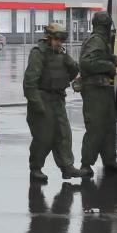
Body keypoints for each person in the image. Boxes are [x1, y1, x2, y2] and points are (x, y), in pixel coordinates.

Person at [24, 23, 83, 183]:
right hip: (43, 99)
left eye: (62, 40)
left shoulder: (61, 53)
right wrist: (37, 104)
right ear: (49, 38)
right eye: (57, 40)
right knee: (44, 137)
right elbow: (30, 82)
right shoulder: (38, 53)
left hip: (58, 99)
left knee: (64, 134)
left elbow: (72, 71)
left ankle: (67, 167)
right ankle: (36, 168)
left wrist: (70, 67)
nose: (60, 43)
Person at [78, 12, 117, 178]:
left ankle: (109, 161)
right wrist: (109, 65)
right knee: (96, 126)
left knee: (109, 125)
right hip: (94, 90)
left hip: (104, 89)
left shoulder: (101, 41)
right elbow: (87, 62)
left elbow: (96, 58)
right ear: (104, 26)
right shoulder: (96, 40)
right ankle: (86, 164)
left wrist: (110, 57)